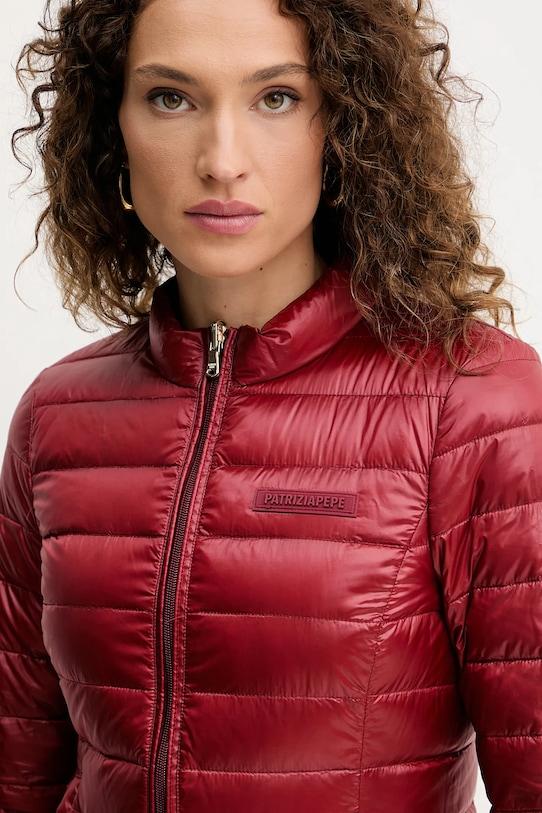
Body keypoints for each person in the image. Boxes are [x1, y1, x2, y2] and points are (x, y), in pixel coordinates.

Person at [1, 0, 540, 811]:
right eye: (171, 97)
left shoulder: (472, 404)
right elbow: (19, 773)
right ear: (113, 127)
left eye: (277, 97)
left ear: (347, 125)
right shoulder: (58, 416)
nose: (222, 160)